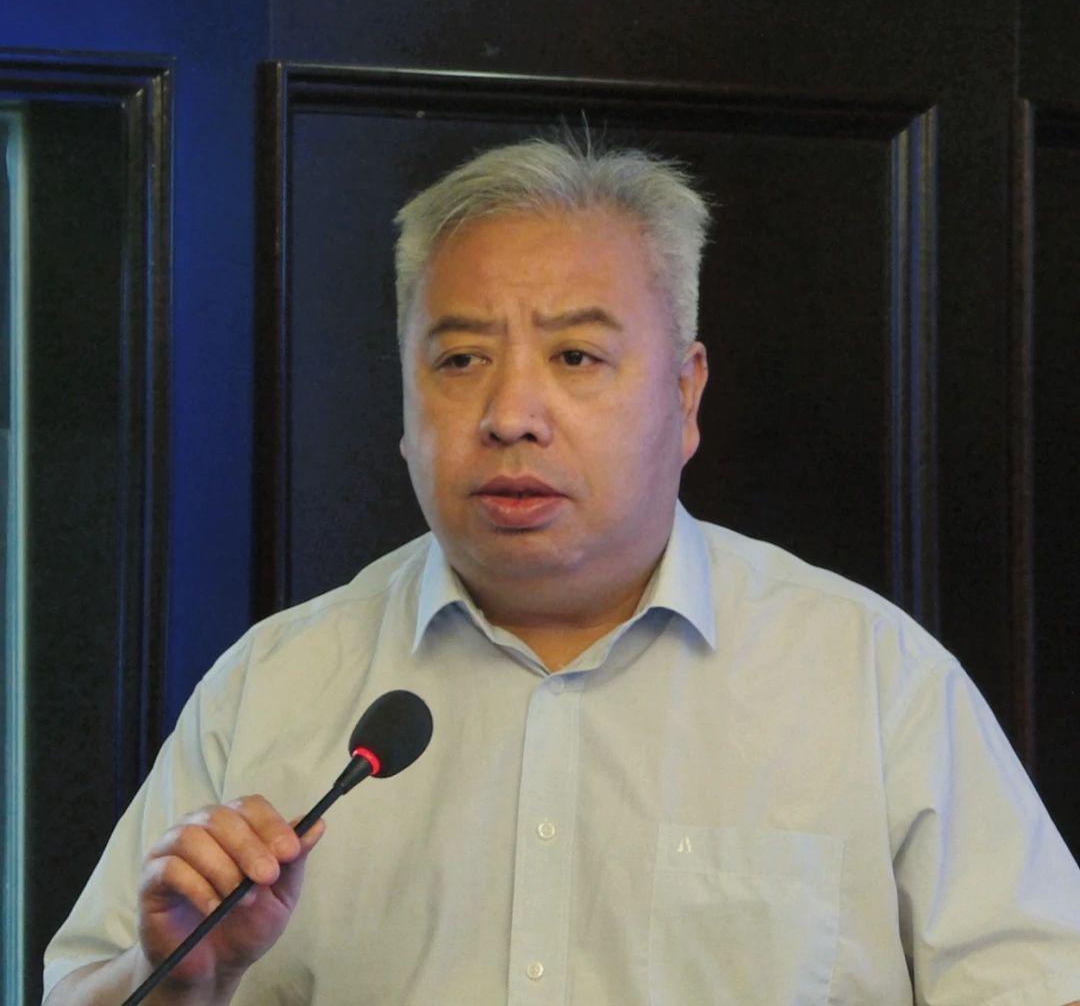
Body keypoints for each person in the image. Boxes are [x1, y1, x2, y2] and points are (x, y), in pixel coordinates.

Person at [44, 136, 1080, 1005]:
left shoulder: (874, 682)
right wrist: (178, 982)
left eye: (576, 357)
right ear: (403, 403)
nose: (509, 415)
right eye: (460, 360)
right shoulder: (272, 687)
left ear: (685, 396)